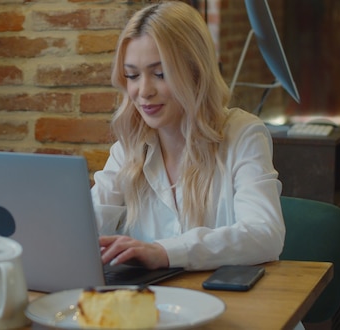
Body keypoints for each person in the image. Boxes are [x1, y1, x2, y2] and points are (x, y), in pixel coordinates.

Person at [92, 1, 285, 272]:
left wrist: (164, 252)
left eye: (160, 74)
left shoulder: (243, 134)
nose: (143, 91)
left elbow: (265, 234)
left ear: (196, 72)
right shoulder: (129, 148)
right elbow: (88, 222)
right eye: (132, 75)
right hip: (158, 307)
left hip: (232, 306)